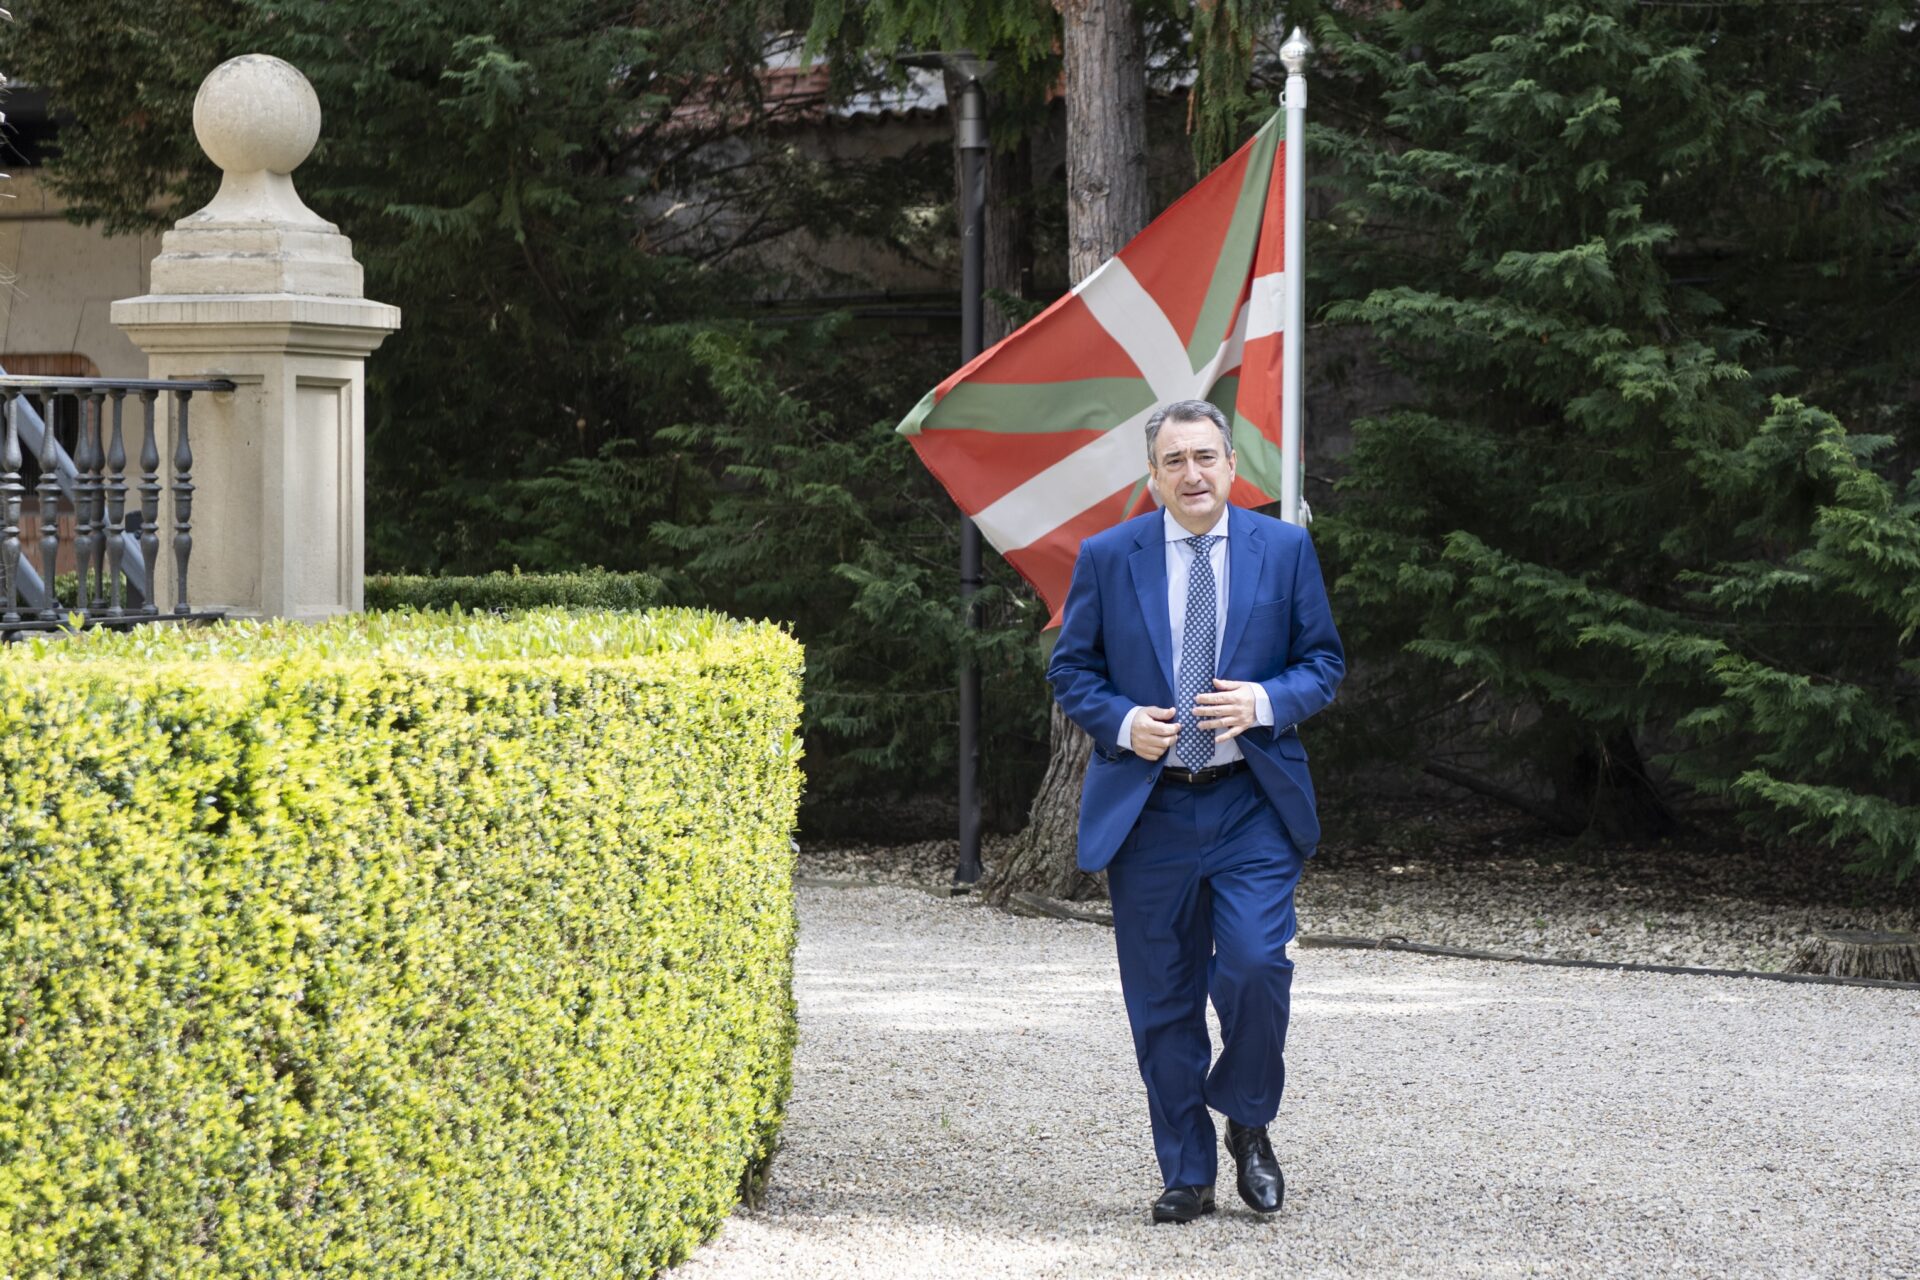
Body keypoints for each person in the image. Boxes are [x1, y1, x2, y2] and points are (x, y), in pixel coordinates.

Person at [1046, 398, 1345, 1223]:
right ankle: (1187, 1172)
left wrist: (1263, 702)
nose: (1193, 473)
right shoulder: (1110, 556)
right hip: (1150, 812)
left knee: (1256, 965)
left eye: (1205, 456)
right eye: (1174, 461)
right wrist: (1122, 723)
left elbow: (1323, 663)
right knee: (1162, 1000)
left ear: (1232, 465)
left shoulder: (1283, 549)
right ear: (1153, 477)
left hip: (1252, 801)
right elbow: (1071, 671)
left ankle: (1247, 1117)